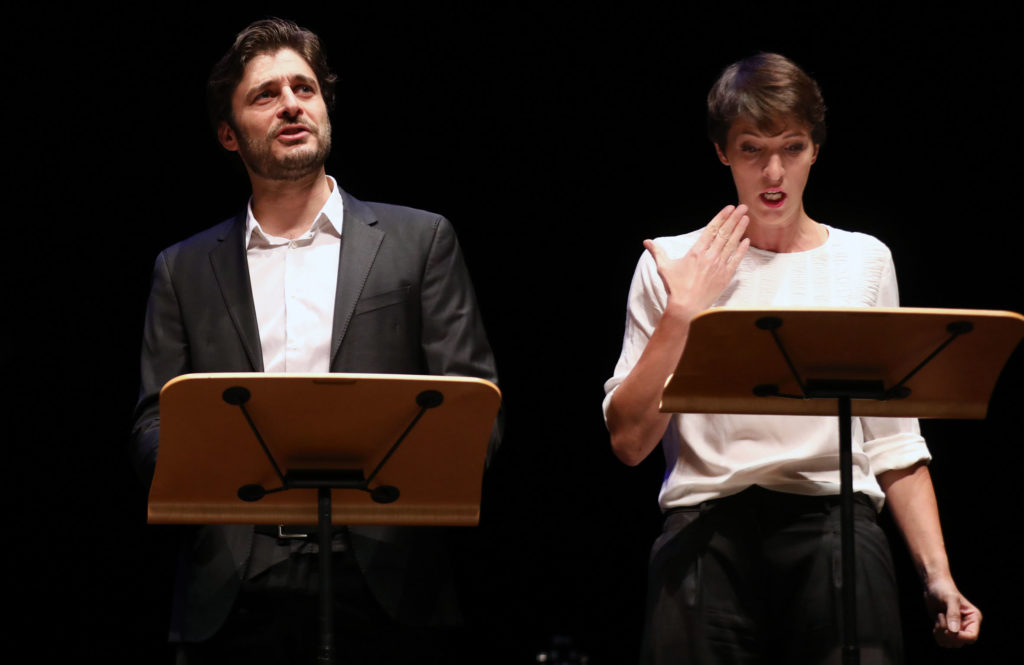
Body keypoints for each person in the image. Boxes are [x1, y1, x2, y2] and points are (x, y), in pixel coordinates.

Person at [130, 18, 498, 664]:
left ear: (327, 109)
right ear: (228, 133)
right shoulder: (181, 269)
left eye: (305, 87)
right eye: (266, 94)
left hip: (388, 582)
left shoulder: (422, 242)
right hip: (236, 588)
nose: (292, 103)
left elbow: (476, 413)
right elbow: (150, 428)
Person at [603, 53, 980, 664]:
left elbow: (893, 440)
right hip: (706, 528)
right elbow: (629, 441)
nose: (773, 170)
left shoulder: (864, 261)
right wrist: (684, 312)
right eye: (752, 148)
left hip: (836, 528)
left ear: (815, 149)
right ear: (722, 152)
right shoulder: (671, 264)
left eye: (793, 147)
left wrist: (938, 574)